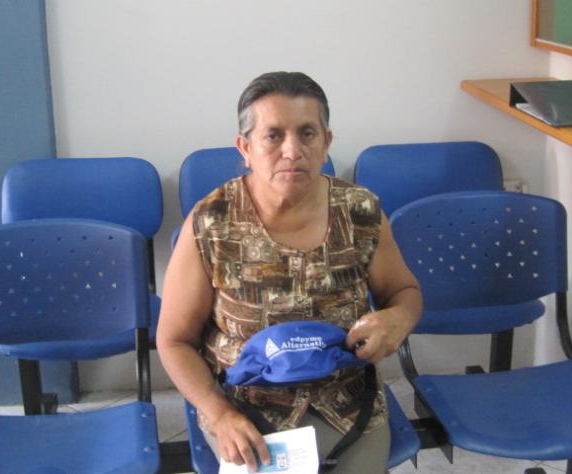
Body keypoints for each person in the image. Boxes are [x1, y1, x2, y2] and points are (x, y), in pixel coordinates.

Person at [157, 71, 422, 474]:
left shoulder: (361, 212)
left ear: (326, 143)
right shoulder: (211, 222)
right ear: (245, 148)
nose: (292, 150)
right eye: (273, 135)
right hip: (245, 406)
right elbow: (174, 341)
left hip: (349, 403)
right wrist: (220, 414)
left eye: (307, 133)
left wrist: (399, 318)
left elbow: (404, 291)